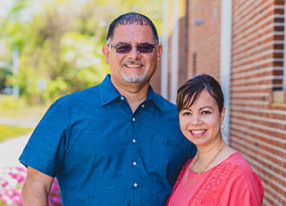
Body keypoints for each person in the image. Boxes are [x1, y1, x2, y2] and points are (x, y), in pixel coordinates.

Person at [19, 12, 196, 205]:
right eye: (123, 47)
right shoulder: (67, 111)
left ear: (158, 53)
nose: (134, 55)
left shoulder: (178, 119)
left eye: (144, 47)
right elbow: (35, 186)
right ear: (107, 53)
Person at [167, 74, 264, 206]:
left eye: (205, 112)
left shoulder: (240, 176)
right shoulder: (189, 165)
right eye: (187, 113)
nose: (195, 122)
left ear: (221, 114)